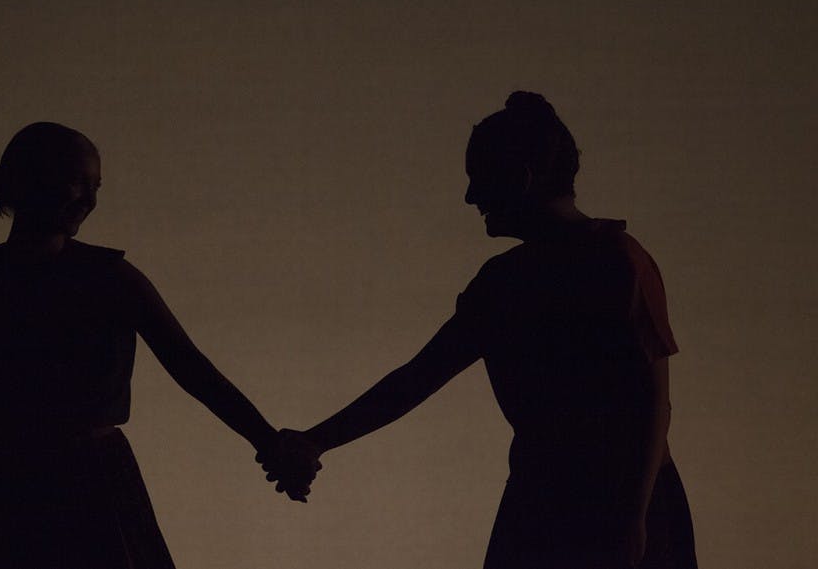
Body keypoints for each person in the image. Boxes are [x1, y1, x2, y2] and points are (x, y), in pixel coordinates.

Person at [262, 92, 697, 568]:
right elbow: (413, 380)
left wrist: (633, 520)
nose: (470, 197)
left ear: (521, 179)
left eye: (478, 179)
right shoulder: (527, 280)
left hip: (597, 509)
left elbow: (652, 404)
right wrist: (316, 440)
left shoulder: (609, 265)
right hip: (551, 511)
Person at [0, 122, 303, 569]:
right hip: (27, 491)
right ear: (24, 180)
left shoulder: (105, 280)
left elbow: (192, 369)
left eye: (95, 186)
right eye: (75, 180)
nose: (88, 198)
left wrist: (267, 439)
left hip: (77, 490)